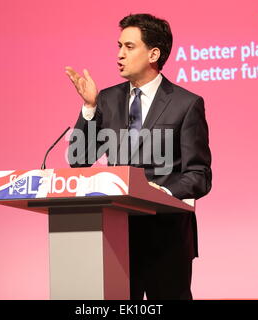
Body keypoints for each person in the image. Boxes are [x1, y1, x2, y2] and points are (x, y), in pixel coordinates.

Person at [66, 13, 212, 300]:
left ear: (153, 53)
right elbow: (79, 159)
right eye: (119, 46)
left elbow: (199, 175)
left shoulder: (186, 104)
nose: (119, 55)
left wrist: (162, 192)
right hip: (116, 235)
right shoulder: (105, 100)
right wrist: (89, 108)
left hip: (167, 236)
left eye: (129, 47)